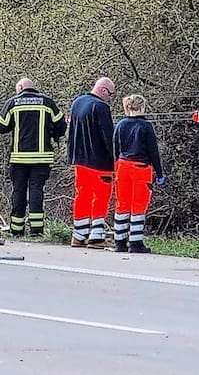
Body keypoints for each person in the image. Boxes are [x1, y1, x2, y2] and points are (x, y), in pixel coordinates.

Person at [0, 78, 66, 237]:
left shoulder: (13, 103)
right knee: (37, 191)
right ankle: (37, 231)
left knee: (18, 191)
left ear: (20, 87)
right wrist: (51, 133)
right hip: (42, 158)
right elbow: (61, 126)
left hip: (19, 157)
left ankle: (17, 230)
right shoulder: (48, 103)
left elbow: (2, 127)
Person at [112, 94, 165, 253]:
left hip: (122, 166)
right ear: (142, 107)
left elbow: (115, 147)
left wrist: (116, 165)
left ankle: (119, 241)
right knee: (138, 205)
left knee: (122, 203)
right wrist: (159, 173)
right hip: (141, 167)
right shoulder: (146, 126)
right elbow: (153, 151)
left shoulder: (120, 125)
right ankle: (135, 242)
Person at [67, 77, 116, 248]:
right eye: (110, 94)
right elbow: (109, 137)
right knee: (101, 197)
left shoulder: (77, 103)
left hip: (79, 160)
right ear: (103, 90)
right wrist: (116, 158)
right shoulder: (101, 107)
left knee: (82, 195)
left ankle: (78, 234)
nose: (110, 98)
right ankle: (96, 235)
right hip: (100, 161)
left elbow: (71, 132)